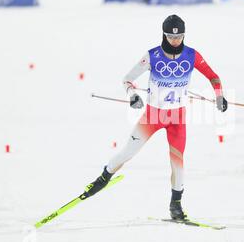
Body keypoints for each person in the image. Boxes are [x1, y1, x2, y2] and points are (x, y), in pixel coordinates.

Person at [83, 15, 228, 220]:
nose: (175, 41)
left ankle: (176, 205)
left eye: (179, 37)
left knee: (178, 162)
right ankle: (102, 178)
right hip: (153, 115)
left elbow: (213, 76)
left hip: (177, 118)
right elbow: (128, 79)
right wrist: (132, 96)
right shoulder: (153, 55)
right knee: (128, 152)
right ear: (164, 34)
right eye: (170, 36)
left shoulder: (192, 55)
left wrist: (220, 96)